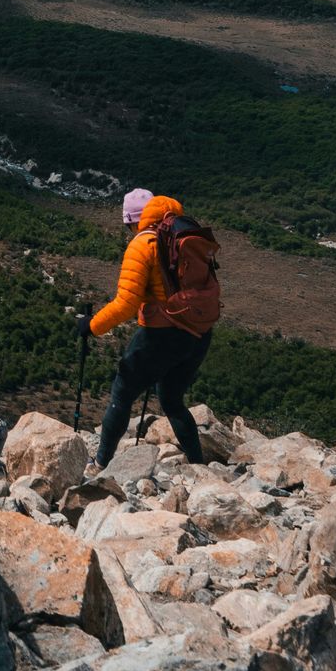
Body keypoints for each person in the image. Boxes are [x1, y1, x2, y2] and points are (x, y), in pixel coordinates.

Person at [78, 188, 220, 469]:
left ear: (133, 221)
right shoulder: (185, 235)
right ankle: (198, 466)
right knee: (171, 398)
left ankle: (100, 463)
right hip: (199, 331)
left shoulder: (144, 244)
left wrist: (90, 326)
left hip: (161, 335)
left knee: (122, 391)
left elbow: (126, 304)